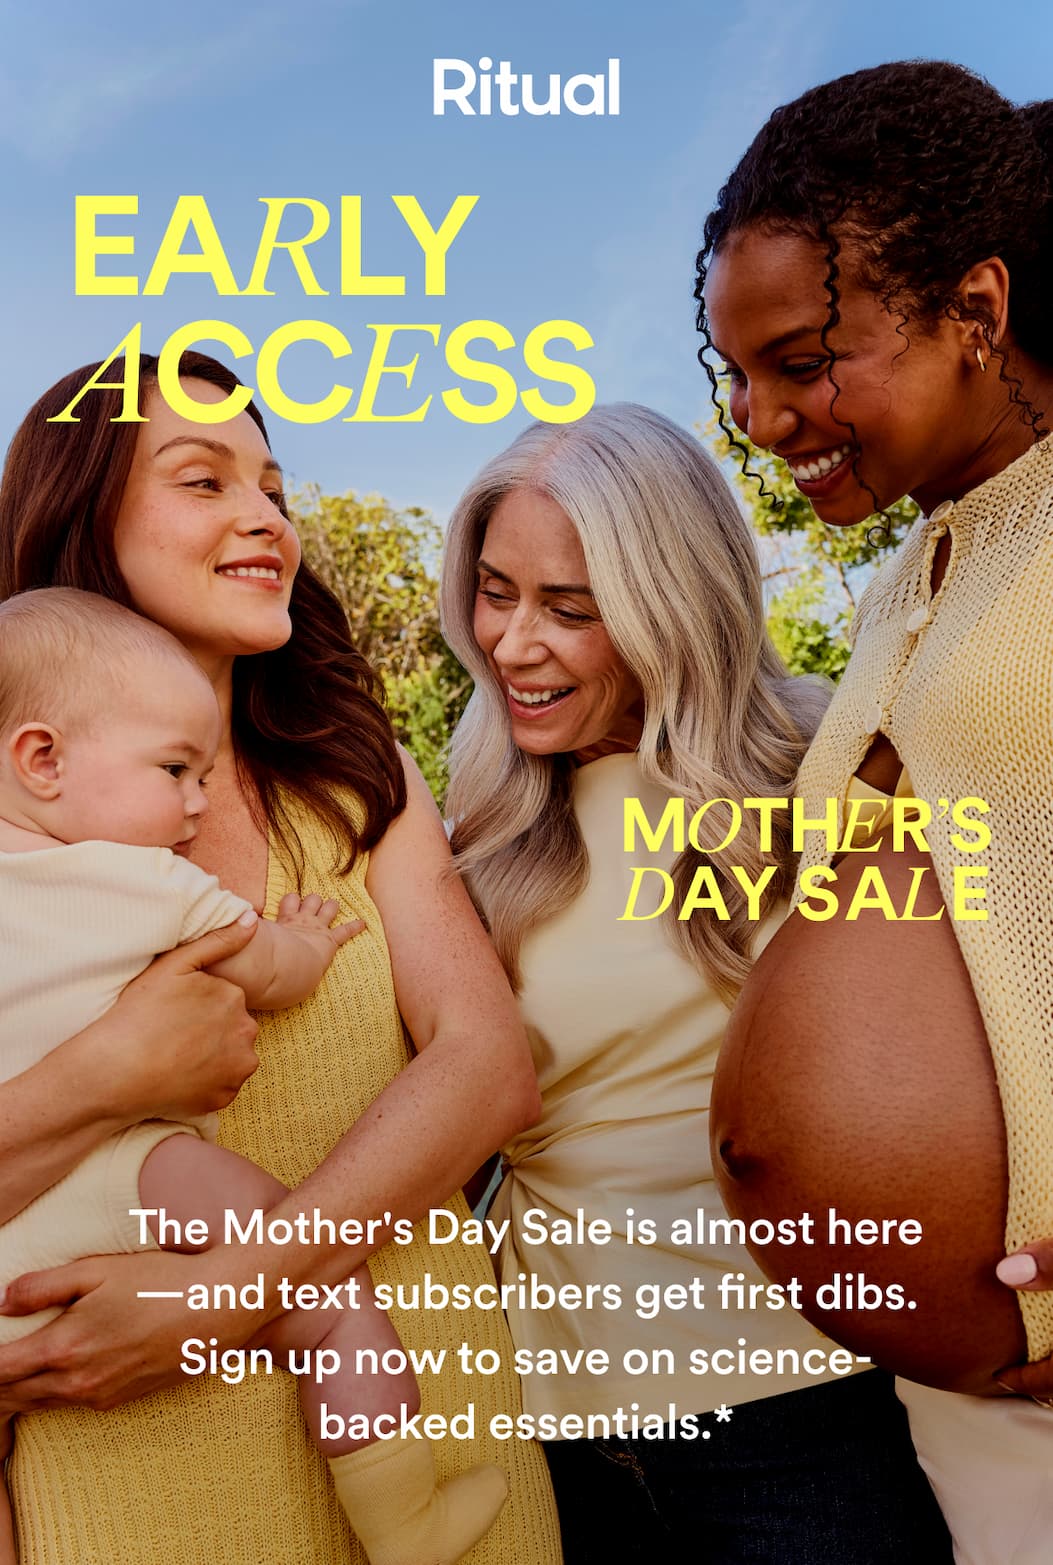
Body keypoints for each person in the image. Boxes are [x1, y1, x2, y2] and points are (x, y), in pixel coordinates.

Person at [0, 353, 562, 1565]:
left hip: (426, 1421)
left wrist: (217, 1294)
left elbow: (486, 1067)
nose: (264, 515)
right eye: (203, 479)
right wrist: (106, 1071)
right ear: (81, 514)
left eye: (272, 484)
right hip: (125, 1479)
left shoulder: (357, 776)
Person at [438, 402, 952, 1562]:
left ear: (673, 601)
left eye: (570, 608)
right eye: (496, 592)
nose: (512, 643)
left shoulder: (834, 774)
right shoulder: (474, 835)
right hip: (555, 1438)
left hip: (801, 1416)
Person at [697, 59, 1053, 1564]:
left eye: (801, 361)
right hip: (960, 1412)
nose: (761, 417)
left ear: (976, 309)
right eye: (738, 376)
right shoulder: (915, 571)